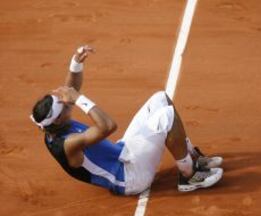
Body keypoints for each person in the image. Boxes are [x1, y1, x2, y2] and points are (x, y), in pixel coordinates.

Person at [30, 45, 223, 195]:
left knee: (160, 99)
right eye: (63, 107)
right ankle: (189, 176)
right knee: (166, 117)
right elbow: (108, 126)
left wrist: (75, 64)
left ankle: (194, 159)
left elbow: (70, 91)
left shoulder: (55, 124)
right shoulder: (68, 144)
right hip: (130, 178)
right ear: (57, 121)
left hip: (124, 154)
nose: (67, 105)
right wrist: (80, 100)